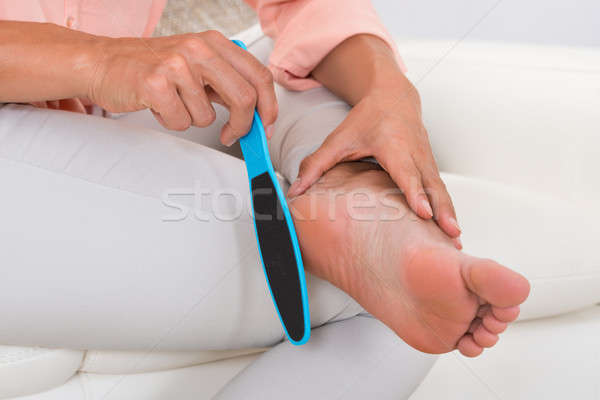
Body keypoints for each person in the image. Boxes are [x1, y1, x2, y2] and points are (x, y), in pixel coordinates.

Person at [0, 0, 531, 398]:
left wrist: (386, 90)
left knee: (284, 76)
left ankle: (347, 191)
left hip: (95, 113)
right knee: (375, 302)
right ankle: (366, 229)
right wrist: (96, 59)